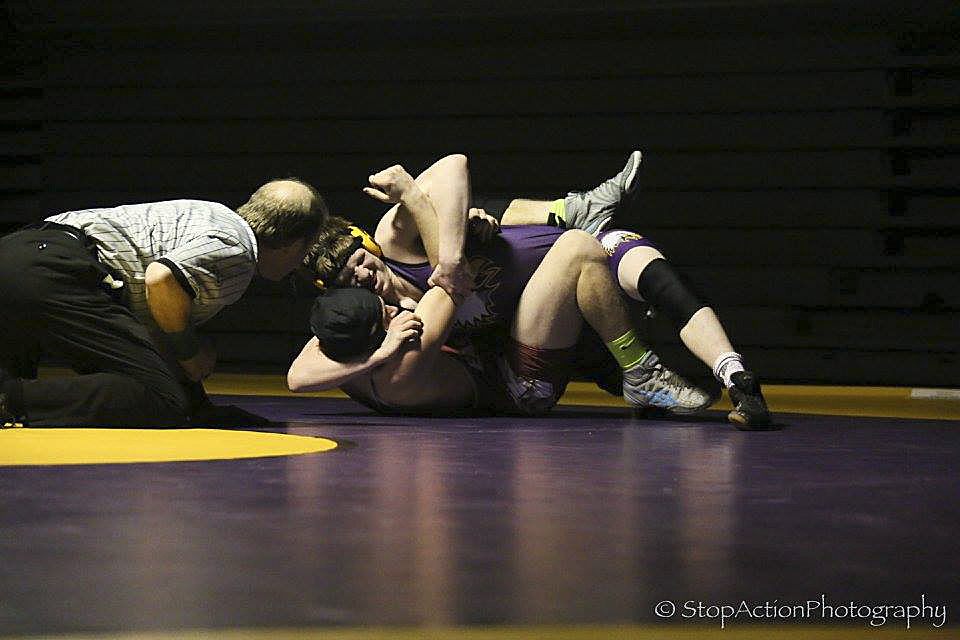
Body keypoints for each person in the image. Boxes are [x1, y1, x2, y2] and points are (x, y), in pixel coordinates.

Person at [303, 153, 770, 425]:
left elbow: (454, 168)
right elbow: (298, 373)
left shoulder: (395, 244)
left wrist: (449, 244)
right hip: (519, 371)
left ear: (368, 245)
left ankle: (730, 374)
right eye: (347, 279)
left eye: (358, 261)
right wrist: (382, 353)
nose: (361, 276)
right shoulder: (387, 321)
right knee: (576, 249)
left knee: (632, 262)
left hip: (538, 308)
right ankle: (634, 367)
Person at [0, 179, 327, 427]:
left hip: (21, 252)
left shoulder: (210, 213)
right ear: (294, 244)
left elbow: (148, 324)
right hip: (55, 271)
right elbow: (161, 278)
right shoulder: (239, 252)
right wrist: (190, 352)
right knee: (161, 397)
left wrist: (198, 403)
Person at [290, 226, 713, 418]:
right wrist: (428, 211)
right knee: (579, 250)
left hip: (499, 356)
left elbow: (295, 377)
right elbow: (451, 275)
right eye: (386, 313)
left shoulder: (344, 359)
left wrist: (379, 351)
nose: (388, 306)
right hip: (522, 387)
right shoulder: (413, 348)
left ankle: (603, 360)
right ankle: (637, 370)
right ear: (382, 328)